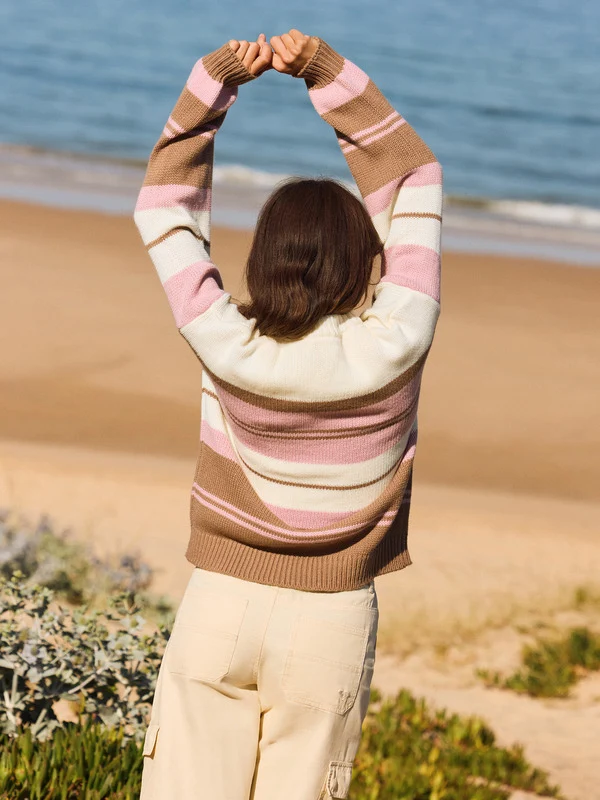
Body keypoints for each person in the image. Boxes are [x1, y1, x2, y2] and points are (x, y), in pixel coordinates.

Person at [133, 29, 442, 800]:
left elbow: (165, 207)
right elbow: (416, 181)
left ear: (263, 258)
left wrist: (216, 83)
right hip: (331, 620)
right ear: (366, 262)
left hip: (221, 606)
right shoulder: (398, 343)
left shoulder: (224, 340)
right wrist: (325, 74)